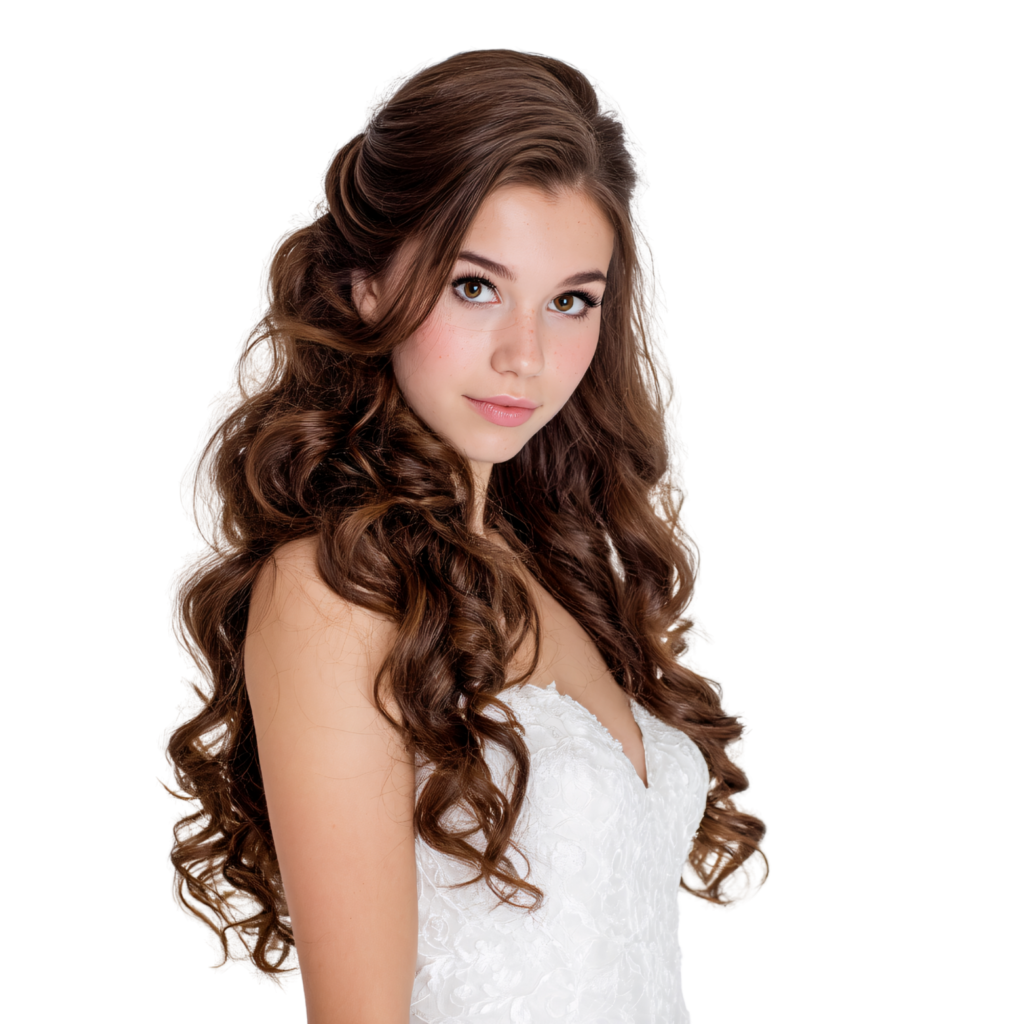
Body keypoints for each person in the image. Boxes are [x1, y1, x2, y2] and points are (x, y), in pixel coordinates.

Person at [158, 47, 770, 1023]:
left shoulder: (563, 573)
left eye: (570, 300)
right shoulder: (335, 591)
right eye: (475, 286)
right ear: (367, 283)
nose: (525, 355)